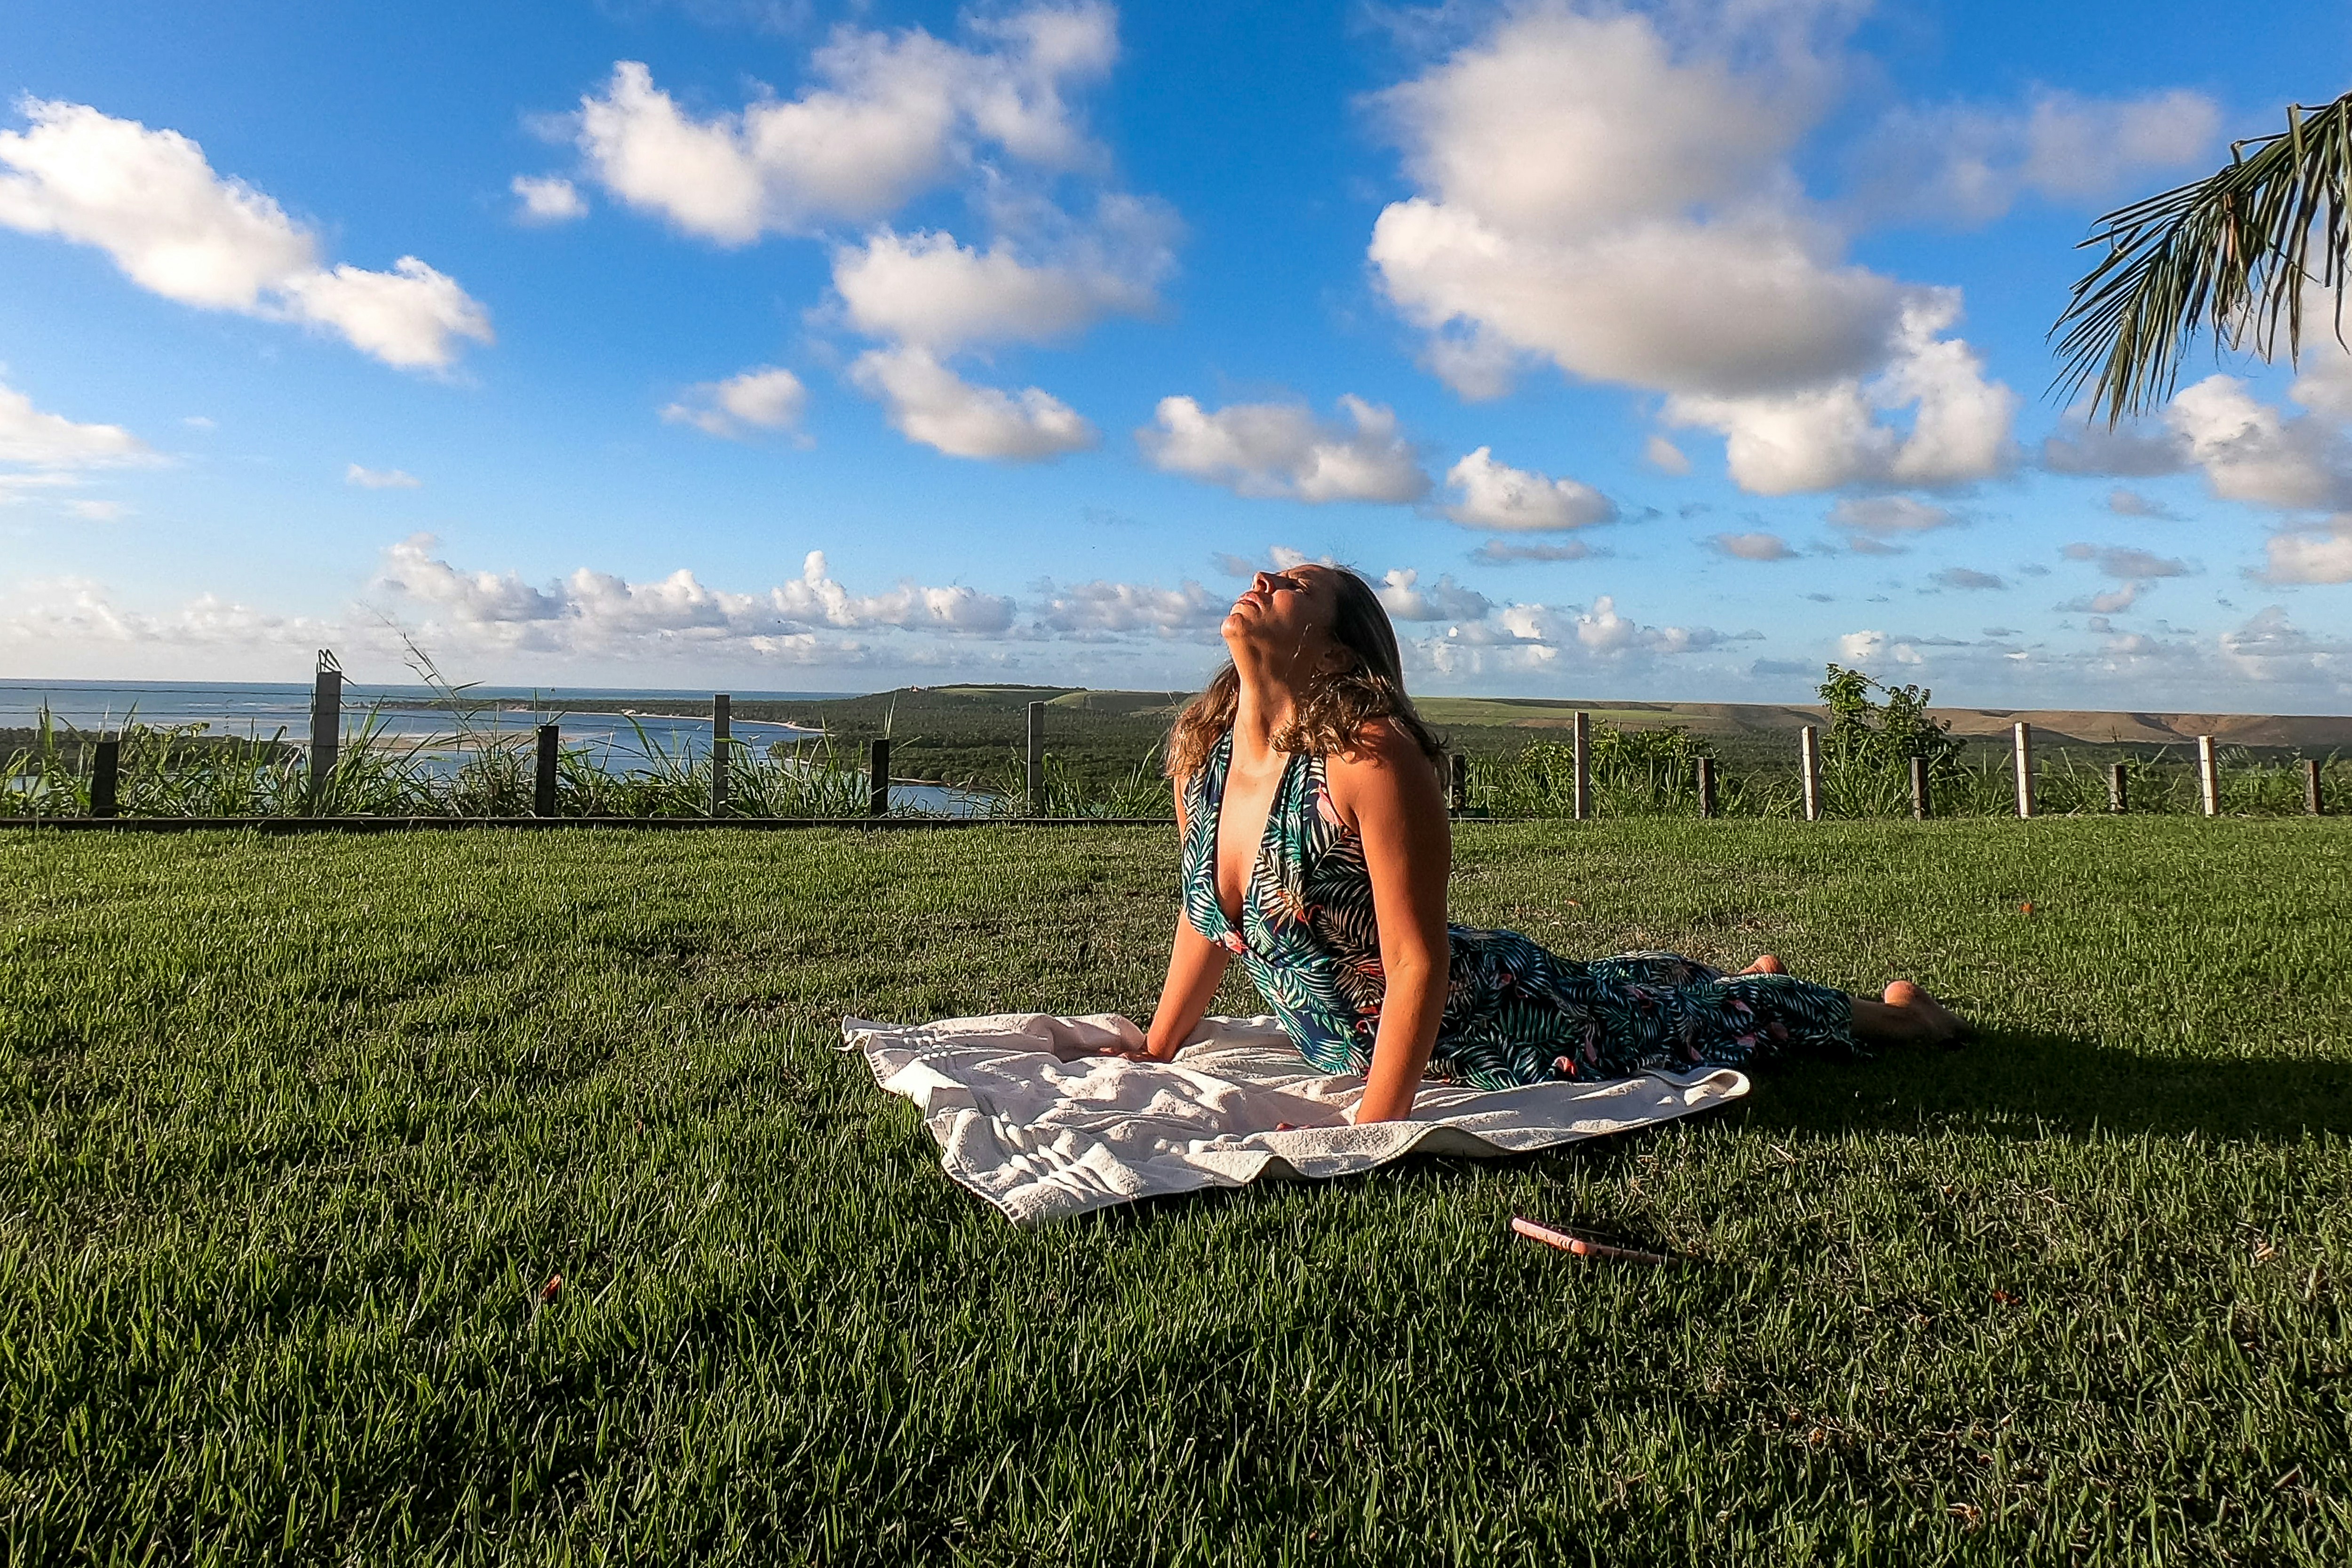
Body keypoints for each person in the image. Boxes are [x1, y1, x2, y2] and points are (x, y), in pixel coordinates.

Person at [1119, 563, 1969, 1124]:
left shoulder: (1369, 757)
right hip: (1406, 1013)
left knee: (1671, 1023)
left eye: (1298, 584)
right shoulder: (1204, 752)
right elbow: (1206, 920)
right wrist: (1159, 1046)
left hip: (1491, 1020)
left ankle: (1904, 1018)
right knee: (1638, 981)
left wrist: (1376, 1123)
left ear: (1337, 647)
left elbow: (1418, 964)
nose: (1265, 576)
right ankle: (1731, 981)